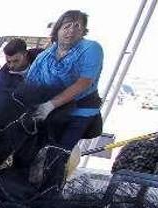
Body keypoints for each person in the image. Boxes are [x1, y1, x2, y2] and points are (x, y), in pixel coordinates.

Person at [24, 10, 104, 189]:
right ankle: (30, 190)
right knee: (34, 150)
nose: (71, 30)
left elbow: (84, 82)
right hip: (53, 112)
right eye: (66, 26)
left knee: (58, 155)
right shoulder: (45, 56)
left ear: (83, 31)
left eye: (77, 26)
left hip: (80, 111)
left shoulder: (91, 48)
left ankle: (49, 195)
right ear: (57, 29)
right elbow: (30, 82)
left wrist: (50, 105)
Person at [0, 38, 43, 171]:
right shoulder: (4, 75)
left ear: (26, 55)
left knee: (24, 163)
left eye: (15, 61)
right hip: (12, 122)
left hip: (39, 121)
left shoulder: (43, 59)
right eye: (8, 61)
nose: (11, 65)